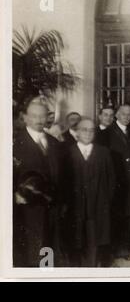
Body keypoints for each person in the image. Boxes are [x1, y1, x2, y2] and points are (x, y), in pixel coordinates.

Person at [13, 100, 64, 267]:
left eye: (42, 116)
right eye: (34, 116)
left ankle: (46, 274)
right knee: (31, 249)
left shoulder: (54, 143)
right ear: (25, 118)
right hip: (27, 209)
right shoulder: (14, 143)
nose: (39, 120)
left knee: (49, 247)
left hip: (52, 207)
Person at [66, 118, 115, 267]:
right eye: (84, 129)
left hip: (98, 207)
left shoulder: (103, 152)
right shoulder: (67, 152)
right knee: (75, 241)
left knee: (95, 240)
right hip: (75, 207)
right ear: (76, 133)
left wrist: (105, 201)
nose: (88, 133)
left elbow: (111, 179)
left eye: (91, 130)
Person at [103, 104, 130, 260]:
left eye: (129, 115)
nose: (127, 117)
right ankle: (113, 251)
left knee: (129, 215)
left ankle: (124, 250)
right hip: (116, 181)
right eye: (124, 114)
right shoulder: (107, 133)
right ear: (117, 115)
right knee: (116, 216)